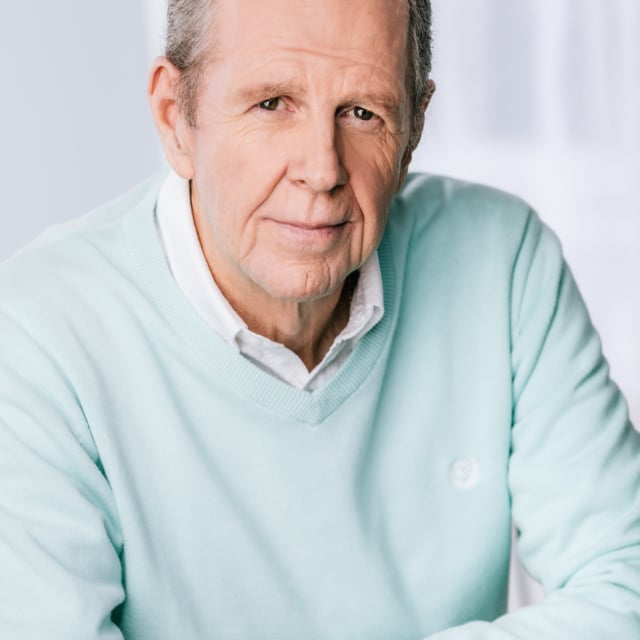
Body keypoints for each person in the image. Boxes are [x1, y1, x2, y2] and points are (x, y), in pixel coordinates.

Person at [0, 0, 638, 637]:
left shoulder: (502, 260)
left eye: (363, 112)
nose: (322, 170)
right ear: (175, 117)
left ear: (413, 129)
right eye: (272, 103)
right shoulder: (37, 337)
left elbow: (625, 584)